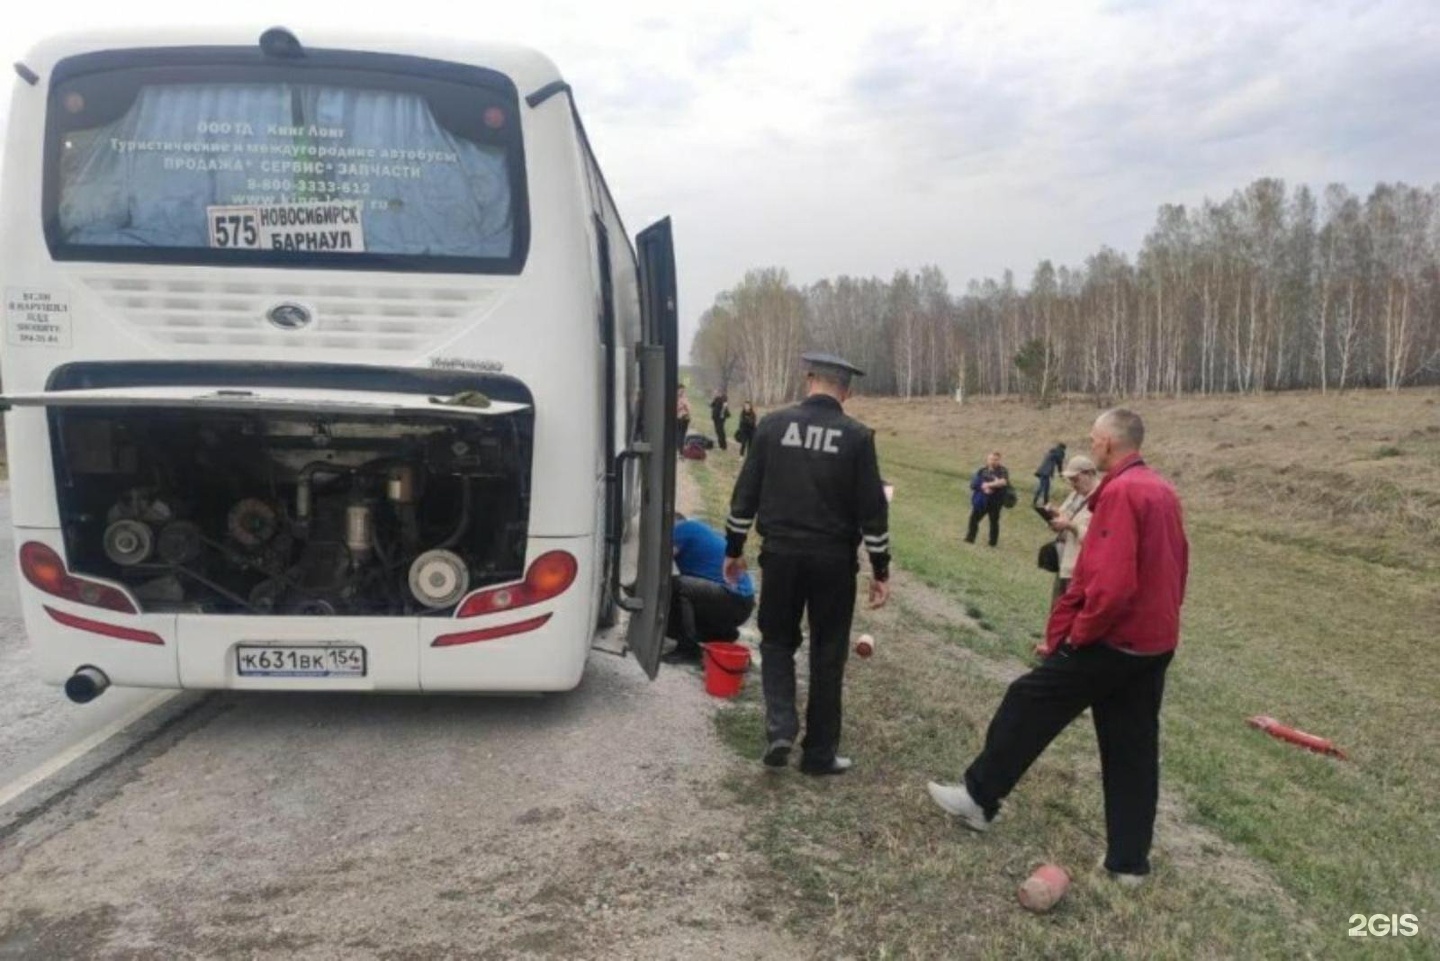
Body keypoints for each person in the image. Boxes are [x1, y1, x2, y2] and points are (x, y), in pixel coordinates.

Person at [926, 409, 1189, 886]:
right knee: (1132, 748)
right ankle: (1129, 864)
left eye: (1094, 439)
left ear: (1109, 443)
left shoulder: (1123, 493)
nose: (1092, 445)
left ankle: (979, 798)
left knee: (1028, 700)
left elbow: (1108, 584)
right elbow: (1177, 567)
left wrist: (1077, 636)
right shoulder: (1163, 491)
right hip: (1153, 643)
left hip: (1112, 638)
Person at [723, 352, 891, 776]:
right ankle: (818, 754)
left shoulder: (773, 425)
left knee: (777, 641)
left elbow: (746, 493)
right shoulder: (857, 437)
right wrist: (881, 569)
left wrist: (733, 547)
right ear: (846, 391)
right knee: (828, 652)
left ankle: (780, 726)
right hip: (834, 562)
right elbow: (873, 510)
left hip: (780, 555)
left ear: (809, 380)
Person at [663, 515, 756, 664]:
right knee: (672, 619)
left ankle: (688, 650)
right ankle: (722, 634)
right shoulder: (700, 529)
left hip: (732, 598)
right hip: (742, 604)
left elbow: (659, 564)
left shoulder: (679, 529)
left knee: (675, 586)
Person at [1044, 455, 1098, 602]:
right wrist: (1054, 515)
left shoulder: (1103, 498)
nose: (1073, 484)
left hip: (1081, 571)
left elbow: (1097, 539)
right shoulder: (1075, 495)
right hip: (1064, 564)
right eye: (1070, 480)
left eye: (1075, 479)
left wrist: (1070, 526)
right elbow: (1064, 515)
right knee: (1057, 611)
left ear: (1089, 474)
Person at [964, 451, 1010, 547]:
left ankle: (992, 543)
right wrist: (984, 488)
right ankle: (970, 538)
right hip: (982, 501)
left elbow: (1003, 482)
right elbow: (973, 484)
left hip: (996, 501)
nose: (993, 461)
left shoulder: (1002, 470)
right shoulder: (982, 470)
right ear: (987, 460)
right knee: (973, 519)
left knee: (994, 522)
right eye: (991, 459)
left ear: (999, 461)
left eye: (995, 460)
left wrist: (988, 484)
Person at [1033, 441, 1068, 506]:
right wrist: (1061, 475)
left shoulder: (1052, 452)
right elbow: (1059, 464)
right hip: (1046, 472)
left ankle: (1045, 503)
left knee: (1046, 488)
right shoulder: (1059, 453)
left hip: (1042, 471)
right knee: (1042, 488)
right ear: (1063, 448)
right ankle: (1036, 502)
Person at [675, 386, 691, 457]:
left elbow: (689, 408)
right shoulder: (676, 398)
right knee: (679, 434)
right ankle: (679, 449)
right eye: (680, 391)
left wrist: (685, 406)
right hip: (679, 418)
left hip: (685, 418)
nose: (681, 392)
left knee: (683, 434)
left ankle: (680, 449)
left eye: (683, 391)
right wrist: (681, 407)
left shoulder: (685, 399)